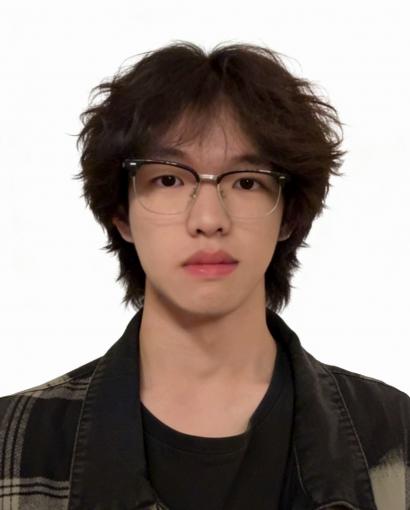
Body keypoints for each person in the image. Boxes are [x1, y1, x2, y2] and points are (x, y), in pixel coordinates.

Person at [0, 41, 409, 510]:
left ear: (289, 215)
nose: (209, 219)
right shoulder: (15, 442)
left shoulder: (394, 432)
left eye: (247, 181)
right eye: (170, 180)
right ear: (122, 214)